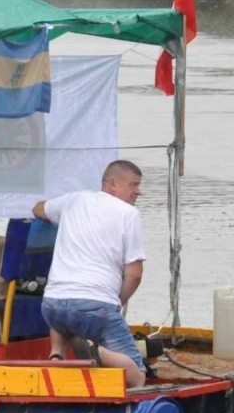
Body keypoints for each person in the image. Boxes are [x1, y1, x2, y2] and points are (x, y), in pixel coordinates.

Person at [31, 160, 148, 389]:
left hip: (52, 307)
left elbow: (38, 208)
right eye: (133, 185)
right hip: (95, 308)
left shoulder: (74, 200)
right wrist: (116, 302)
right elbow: (134, 274)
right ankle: (96, 352)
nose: (138, 191)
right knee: (137, 376)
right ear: (112, 184)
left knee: (67, 310)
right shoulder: (129, 214)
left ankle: (57, 356)